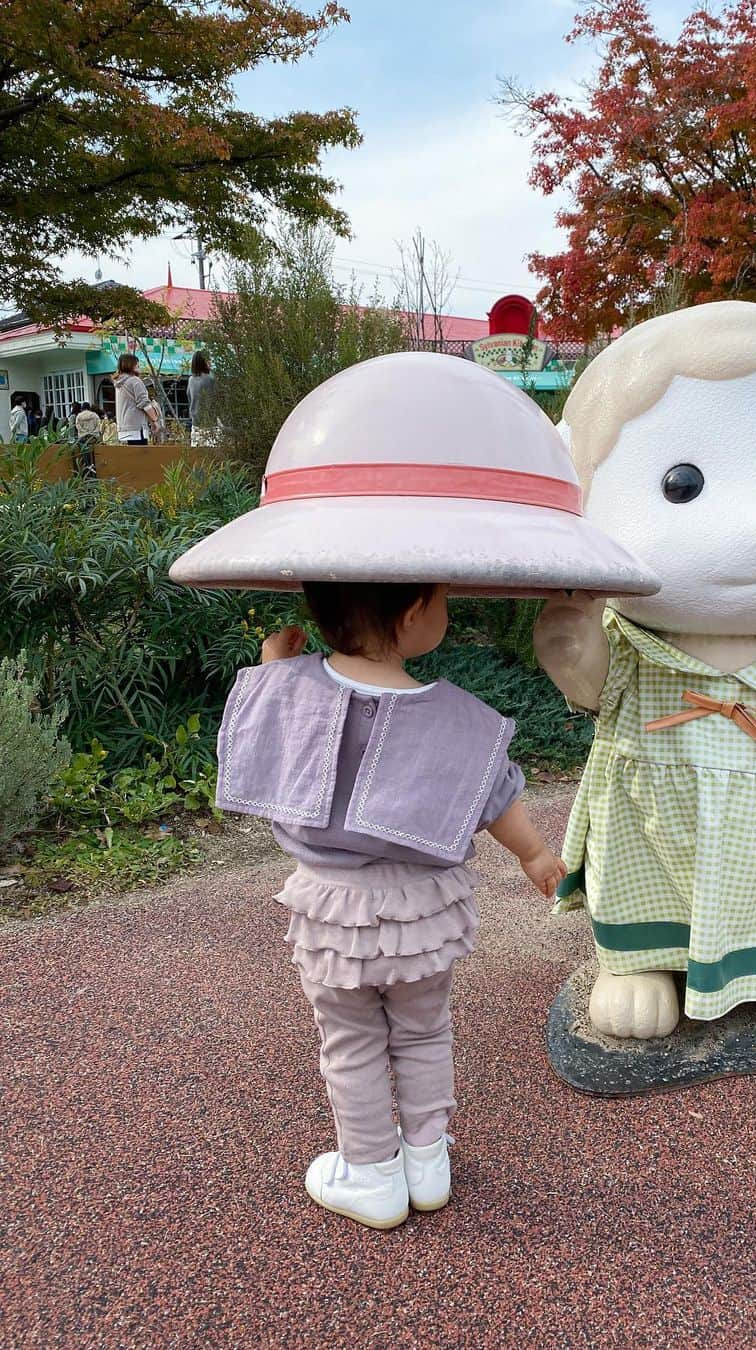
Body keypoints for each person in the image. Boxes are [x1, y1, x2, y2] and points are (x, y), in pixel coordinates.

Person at [217, 585, 566, 1230]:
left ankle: (372, 1173)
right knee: (426, 1030)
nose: (447, 614)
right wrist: (537, 856)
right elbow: (498, 798)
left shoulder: (289, 688)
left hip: (333, 911)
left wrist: (272, 665)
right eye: (442, 602)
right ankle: (428, 1163)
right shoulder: (460, 719)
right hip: (422, 913)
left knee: (349, 1041)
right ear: (412, 615)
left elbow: (270, 725)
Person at [112, 353, 160, 445]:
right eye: (137, 363)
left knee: (130, 457)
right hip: (137, 427)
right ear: (131, 364)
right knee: (141, 457)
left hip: (124, 428)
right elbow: (144, 403)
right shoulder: (135, 381)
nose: (138, 365)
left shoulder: (119, 383)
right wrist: (154, 420)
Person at [186, 349, 216, 446]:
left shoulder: (191, 379)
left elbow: (189, 396)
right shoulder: (210, 378)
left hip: (196, 422)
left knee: (196, 453)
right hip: (210, 422)